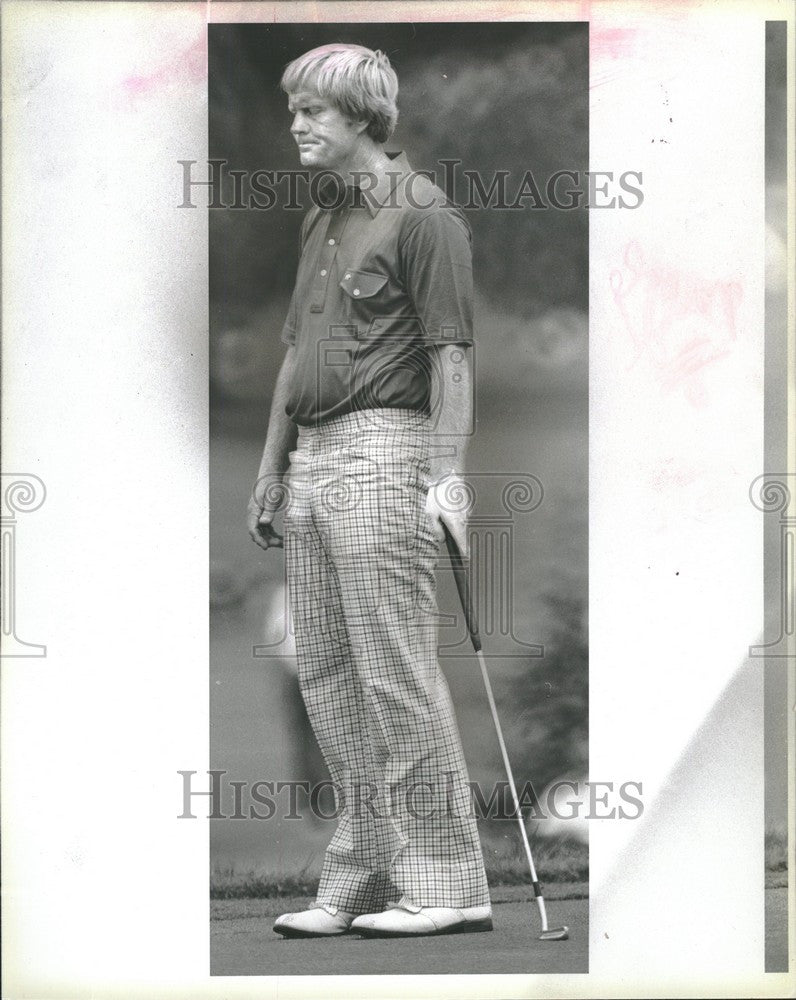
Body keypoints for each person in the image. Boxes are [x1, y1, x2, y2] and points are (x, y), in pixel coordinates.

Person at [247, 43, 492, 938]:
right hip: (310, 458)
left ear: (360, 117)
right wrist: (271, 468)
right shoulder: (321, 216)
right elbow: (293, 353)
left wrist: (446, 477)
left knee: (394, 673)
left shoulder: (425, 216)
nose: (297, 123)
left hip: (388, 452)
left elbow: (450, 358)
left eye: (312, 109)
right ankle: (360, 877)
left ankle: (447, 883)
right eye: (294, 108)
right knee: (326, 675)